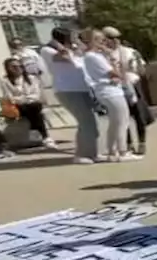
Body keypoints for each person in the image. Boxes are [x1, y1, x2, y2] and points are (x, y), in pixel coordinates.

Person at [41, 27, 98, 163]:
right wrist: (60, 45)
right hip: (67, 89)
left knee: (91, 122)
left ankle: (92, 152)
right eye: (71, 36)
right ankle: (81, 155)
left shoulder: (74, 49)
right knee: (85, 122)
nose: (74, 39)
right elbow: (64, 57)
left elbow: (83, 57)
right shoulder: (48, 50)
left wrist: (78, 46)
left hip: (83, 88)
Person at [81, 29, 137, 162]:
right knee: (122, 121)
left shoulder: (96, 56)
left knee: (115, 122)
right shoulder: (92, 56)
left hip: (110, 90)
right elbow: (113, 73)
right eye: (100, 39)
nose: (103, 42)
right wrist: (113, 61)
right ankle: (122, 152)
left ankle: (112, 152)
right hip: (110, 91)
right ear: (92, 41)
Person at [102, 28, 151, 157]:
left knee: (139, 115)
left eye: (115, 38)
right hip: (116, 87)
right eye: (109, 38)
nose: (114, 41)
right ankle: (127, 144)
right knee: (123, 117)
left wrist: (133, 68)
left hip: (133, 84)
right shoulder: (104, 55)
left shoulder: (130, 52)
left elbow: (141, 70)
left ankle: (142, 143)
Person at [0, 58, 54, 148]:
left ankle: (39, 134)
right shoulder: (4, 80)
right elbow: (8, 97)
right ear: (8, 68)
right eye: (14, 67)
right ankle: (45, 137)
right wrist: (24, 99)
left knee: (34, 107)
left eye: (20, 66)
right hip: (17, 106)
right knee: (34, 111)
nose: (18, 68)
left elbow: (36, 94)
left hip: (32, 104)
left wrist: (22, 99)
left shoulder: (31, 78)